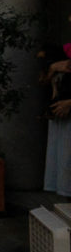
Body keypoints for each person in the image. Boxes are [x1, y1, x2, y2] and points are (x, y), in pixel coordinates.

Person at [43, 49, 71, 196]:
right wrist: (53, 69)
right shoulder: (62, 52)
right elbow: (43, 82)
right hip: (60, 117)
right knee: (63, 164)